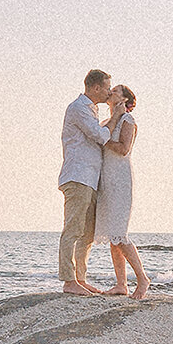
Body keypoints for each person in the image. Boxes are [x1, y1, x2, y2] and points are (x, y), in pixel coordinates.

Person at [58, 69, 112, 295]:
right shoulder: (78, 108)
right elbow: (99, 136)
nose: (109, 92)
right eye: (107, 87)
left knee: (87, 233)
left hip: (90, 178)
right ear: (96, 87)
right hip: (77, 176)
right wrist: (117, 115)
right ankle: (68, 281)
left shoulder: (92, 109)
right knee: (73, 229)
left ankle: (80, 278)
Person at [97, 84, 149, 300]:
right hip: (106, 179)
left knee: (120, 233)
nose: (111, 92)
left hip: (120, 179)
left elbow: (124, 148)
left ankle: (143, 279)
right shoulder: (106, 123)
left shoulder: (128, 120)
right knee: (112, 235)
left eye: (116, 91)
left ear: (124, 99)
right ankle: (121, 284)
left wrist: (103, 138)